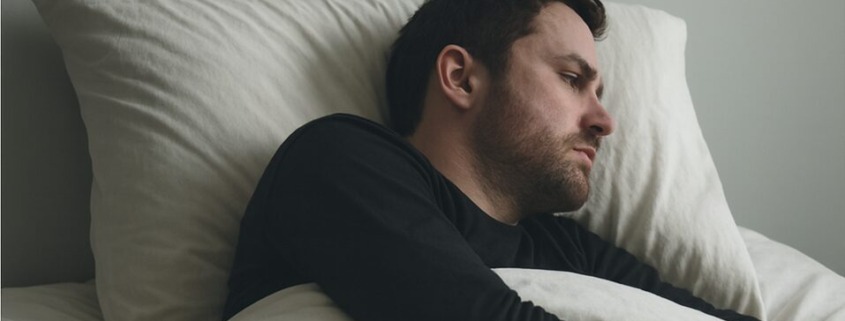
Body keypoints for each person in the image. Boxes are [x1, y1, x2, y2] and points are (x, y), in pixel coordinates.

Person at [222, 0, 759, 320]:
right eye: (572, 79)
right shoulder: (338, 161)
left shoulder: (568, 249)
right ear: (461, 78)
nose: (605, 121)